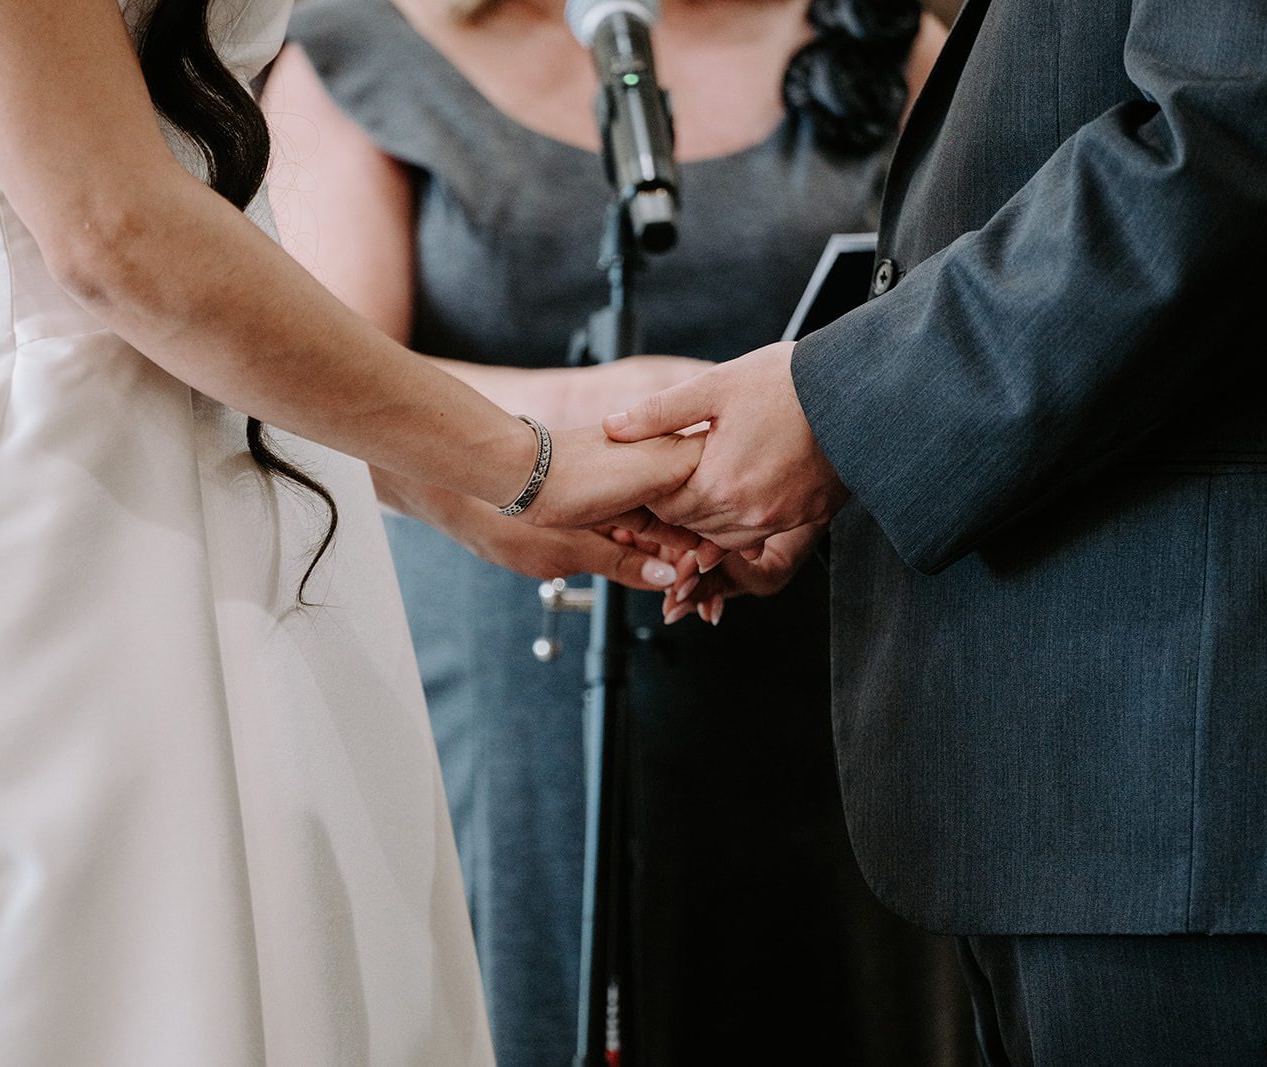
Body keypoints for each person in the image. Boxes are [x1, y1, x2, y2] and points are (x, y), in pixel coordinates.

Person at [0, 0, 709, 1061]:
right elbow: (112, 234)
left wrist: (455, 491)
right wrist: (528, 463)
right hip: (28, 563)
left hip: (254, 534)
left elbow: (171, 260)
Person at [262, 1, 965, 1063]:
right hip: (510, 682)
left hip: (832, 683)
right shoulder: (356, 53)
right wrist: (611, 421)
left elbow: (960, 331)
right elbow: (311, 382)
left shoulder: (889, 38)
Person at [609, 0, 1267, 1062]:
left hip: (1177, 774)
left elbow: (1224, 140)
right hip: (1082, 770)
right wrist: (844, 462)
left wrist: (839, 419)